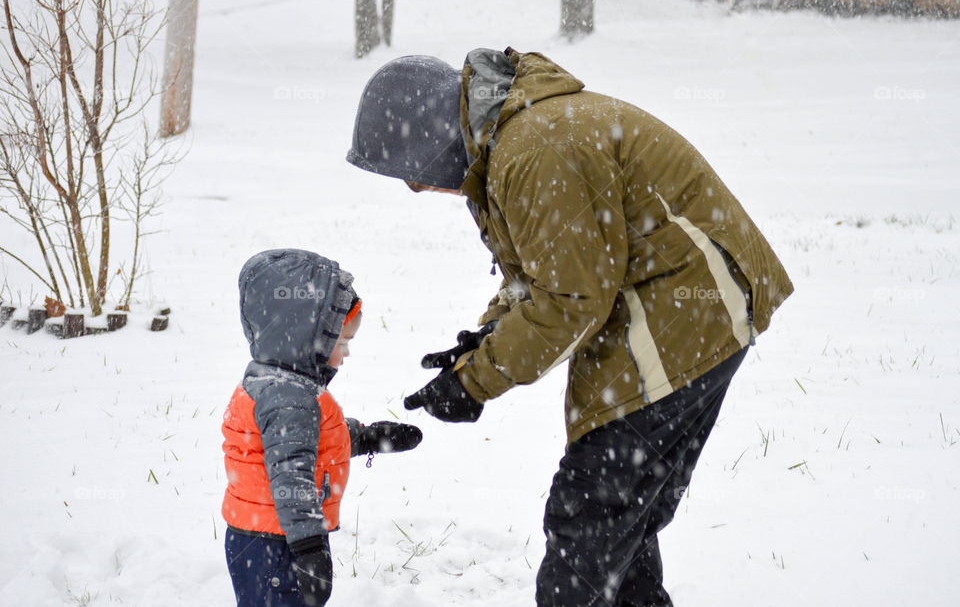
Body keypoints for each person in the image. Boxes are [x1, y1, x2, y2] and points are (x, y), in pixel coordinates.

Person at [346, 48, 794, 606]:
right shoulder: (508, 141)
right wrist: (482, 340)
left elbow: (570, 300)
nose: (418, 190)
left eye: (410, 176)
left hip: (682, 315)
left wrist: (475, 382)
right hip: (680, 310)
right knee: (617, 522)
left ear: (428, 142)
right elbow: (539, 275)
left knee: (590, 518)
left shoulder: (533, 151)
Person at [221, 249, 423, 607]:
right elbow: (291, 476)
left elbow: (305, 444)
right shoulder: (288, 396)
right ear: (304, 336)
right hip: (278, 544)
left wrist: (369, 437)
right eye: (341, 342)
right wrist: (310, 548)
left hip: (270, 536)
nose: (346, 354)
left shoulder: (281, 383)